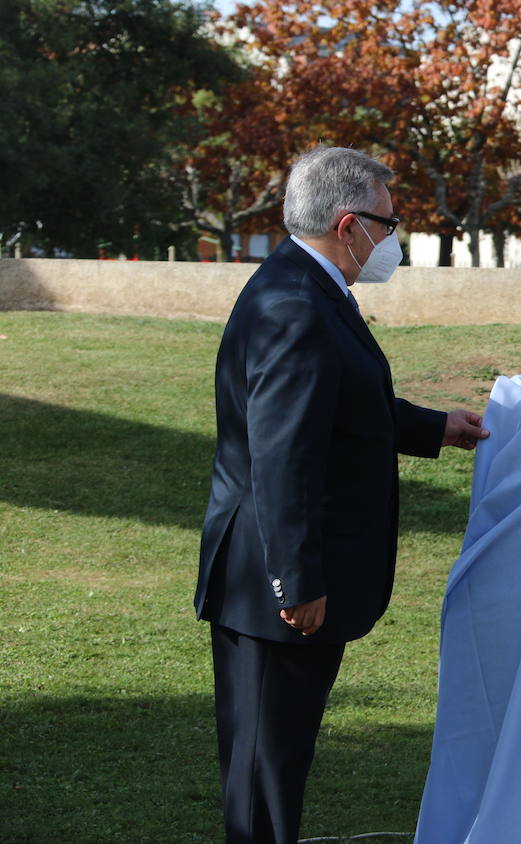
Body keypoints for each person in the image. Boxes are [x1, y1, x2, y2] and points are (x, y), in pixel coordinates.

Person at [194, 146, 489, 843]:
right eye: (390, 225)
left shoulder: (305, 284)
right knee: (266, 768)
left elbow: (342, 405)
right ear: (349, 224)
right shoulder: (297, 303)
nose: (394, 241)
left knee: (274, 759)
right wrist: (295, 580)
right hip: (275, 585)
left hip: (274, 574)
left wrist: (437, 427)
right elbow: (283, 455)